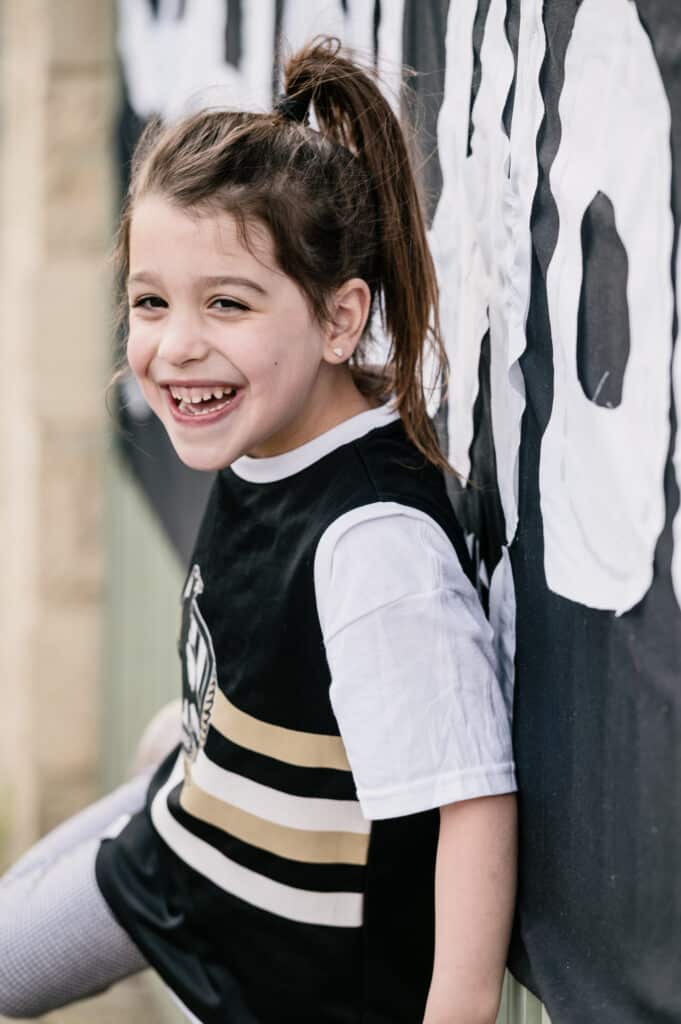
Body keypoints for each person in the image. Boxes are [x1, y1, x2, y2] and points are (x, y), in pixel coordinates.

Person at [0, 36, 517, 1024]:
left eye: (227, 304)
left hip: (279, 963)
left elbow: (472, 802)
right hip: (191, 837)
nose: (175, 345)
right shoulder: (264, 427)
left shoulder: (373, 549)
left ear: (339, 319)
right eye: (151, 302)